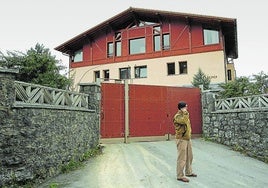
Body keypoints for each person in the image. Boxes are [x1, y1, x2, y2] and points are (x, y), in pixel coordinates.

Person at [173, 101, 197, 183]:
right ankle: (180, 175)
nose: (187, 108)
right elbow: (183, 121)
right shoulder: (178, 116)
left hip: (187, 138)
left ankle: (188, 172)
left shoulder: (185, 115)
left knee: (190, 156)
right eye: (186, 107)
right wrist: (185, 113)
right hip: (181, 139)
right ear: (182, 108)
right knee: (182, 158)